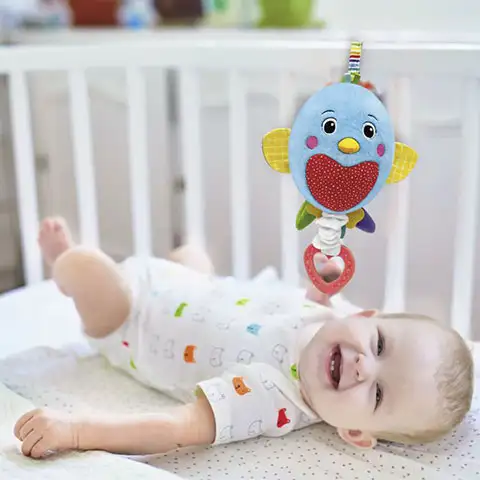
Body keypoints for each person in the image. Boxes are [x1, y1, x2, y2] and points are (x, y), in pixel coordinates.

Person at [14, 217, 474, 458]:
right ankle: (164, 264)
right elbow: (309, 298)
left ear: (354, 433)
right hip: (188, 285)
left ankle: (65, 267)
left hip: (130, 322)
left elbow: (177, 428)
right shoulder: (329, 317)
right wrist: (323, 278)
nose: (362, 365)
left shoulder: (272, 398)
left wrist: (78, 431)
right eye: (380, 345)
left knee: (84, 267)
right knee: (192, 254)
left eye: (377, 394)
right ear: (365, 315)